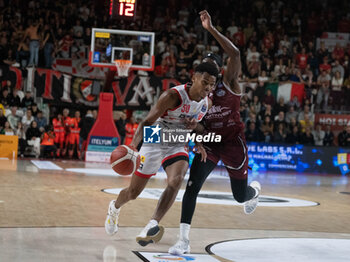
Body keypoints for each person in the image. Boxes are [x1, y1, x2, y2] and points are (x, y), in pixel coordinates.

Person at [169, 10, 261, 255]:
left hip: (232, 142)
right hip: (209, 142)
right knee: (192, 186)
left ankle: (254, 192)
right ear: (199, 74)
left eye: (214, 67)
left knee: (240, 196)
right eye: (206, 69)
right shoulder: (198, 91)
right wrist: (194, 129)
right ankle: (183, 240)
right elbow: (200, 124)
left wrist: (210, 29)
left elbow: (236, 53)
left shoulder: (229, 82)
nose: (210, 73)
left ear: (220, 70)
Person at [104, 62, 218, 246]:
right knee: (133, 192)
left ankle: (152, 224)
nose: (208, 88)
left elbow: (199, 127)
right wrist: (133, 146)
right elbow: (146, 122)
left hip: (179, 140)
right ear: (194, 78)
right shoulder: (173, 96)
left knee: (176, 180)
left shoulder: (207, 103)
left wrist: (198, 138)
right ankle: (114, 208)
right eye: (205, 82)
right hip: (156, 136)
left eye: (212, 85)